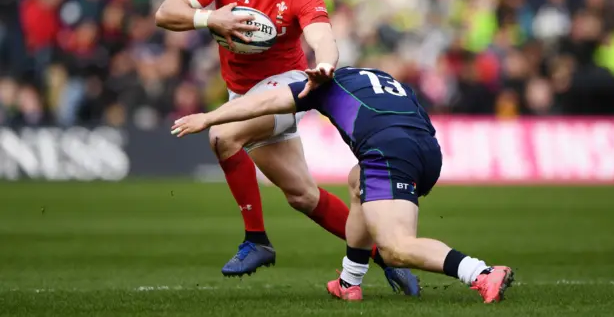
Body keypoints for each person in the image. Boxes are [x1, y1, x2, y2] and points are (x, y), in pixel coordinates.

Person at [155, 0, 419, 294]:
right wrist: (210, 20)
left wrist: (326, 65)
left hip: (288, 87)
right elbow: (165, 13)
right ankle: (385, 257)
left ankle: (256, 239)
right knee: (302, 196)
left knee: (222, 137)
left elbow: (322, 36)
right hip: (242, 92)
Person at [170, 66, 515, 304]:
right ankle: (349, 283)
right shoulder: (385, 79)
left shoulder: (323, 84)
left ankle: (481, 273)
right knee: (357, 181)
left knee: (395, 247)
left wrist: (209, 117)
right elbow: (419, 119)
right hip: (427, 152)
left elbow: (265, 101)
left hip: (387, 153)